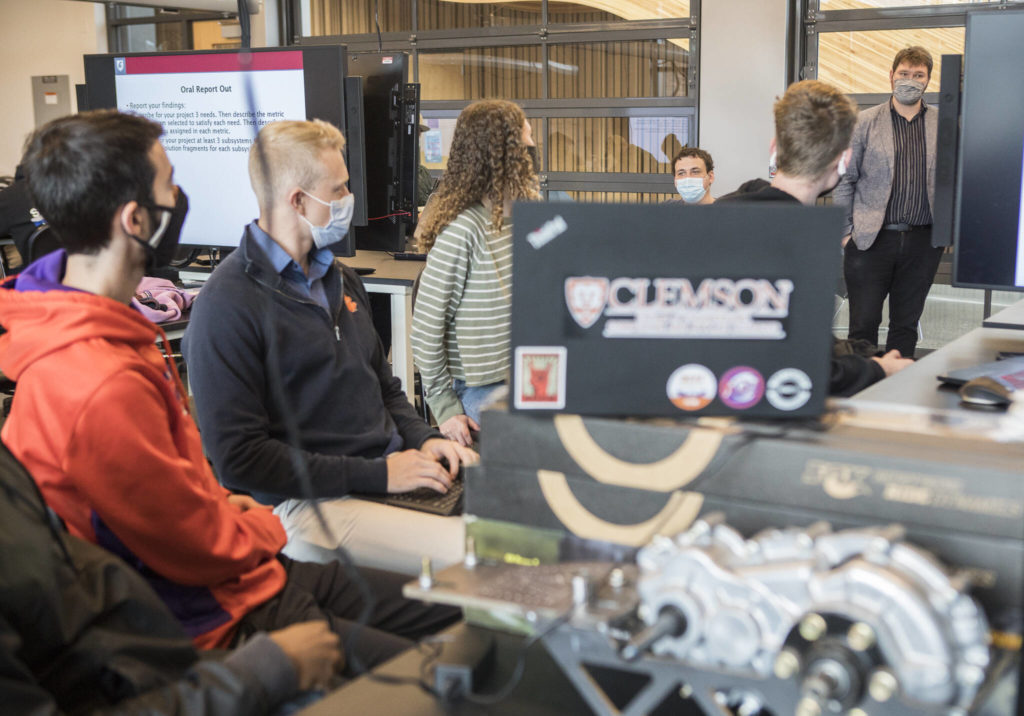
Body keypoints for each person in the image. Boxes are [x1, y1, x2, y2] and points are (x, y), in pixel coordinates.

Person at [0, 110, 459, 674]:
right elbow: (200, 526)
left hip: (251, 569)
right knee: (442, 666)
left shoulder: (112, 333)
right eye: (171, 183)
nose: (182, 196)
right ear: (136, 218)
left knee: (461, 617)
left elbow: (187, 496)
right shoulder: (101, 378)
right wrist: (254, 522)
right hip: (223, 609)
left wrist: (227, 512)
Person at [183, 119, 476, 577]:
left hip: (386, 478)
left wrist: (429, 440)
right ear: (297, 200)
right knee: (487, 559)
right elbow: (239, 461)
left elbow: (386, 390)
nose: (347, 201)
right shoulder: (227, 304)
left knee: (521, 520)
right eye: (337, 191)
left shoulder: (341, 279)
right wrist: (380, 475)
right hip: (310, 506)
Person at [0, 441, 340, 715]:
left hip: (147, 659)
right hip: (213, 621)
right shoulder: (102, 390)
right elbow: (239, 460)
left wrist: (220, 505)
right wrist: (261, 671)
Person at [719, 80, 913, 396]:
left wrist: (866, 354)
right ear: (844, 161)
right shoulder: (802, 244)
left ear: (774, 148)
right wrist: (881, 369)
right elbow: (803, 372)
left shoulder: (723, 211)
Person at [409, 100, 538, 445]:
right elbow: (425, 329)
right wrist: (445, 407)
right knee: (543, 444)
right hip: (480, 387)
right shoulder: (465, 229)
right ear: (503, 150)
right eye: (525, 134)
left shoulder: (528, 218)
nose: (533, 142)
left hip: (527, 374)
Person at [833, 46, 941, 359]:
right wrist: (845, 234)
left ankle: (896, 393)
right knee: (863, 324)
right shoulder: (863, 122)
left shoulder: (943, 125)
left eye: (918, 75)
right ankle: (860, 390)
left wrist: (947, 232)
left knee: (906, 325)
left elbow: (953, 181)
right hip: (870, 240)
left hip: (923, 241)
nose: (910, 80)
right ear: (891, 75)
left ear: (928, 80)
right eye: (904, 74)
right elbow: (844, 179)